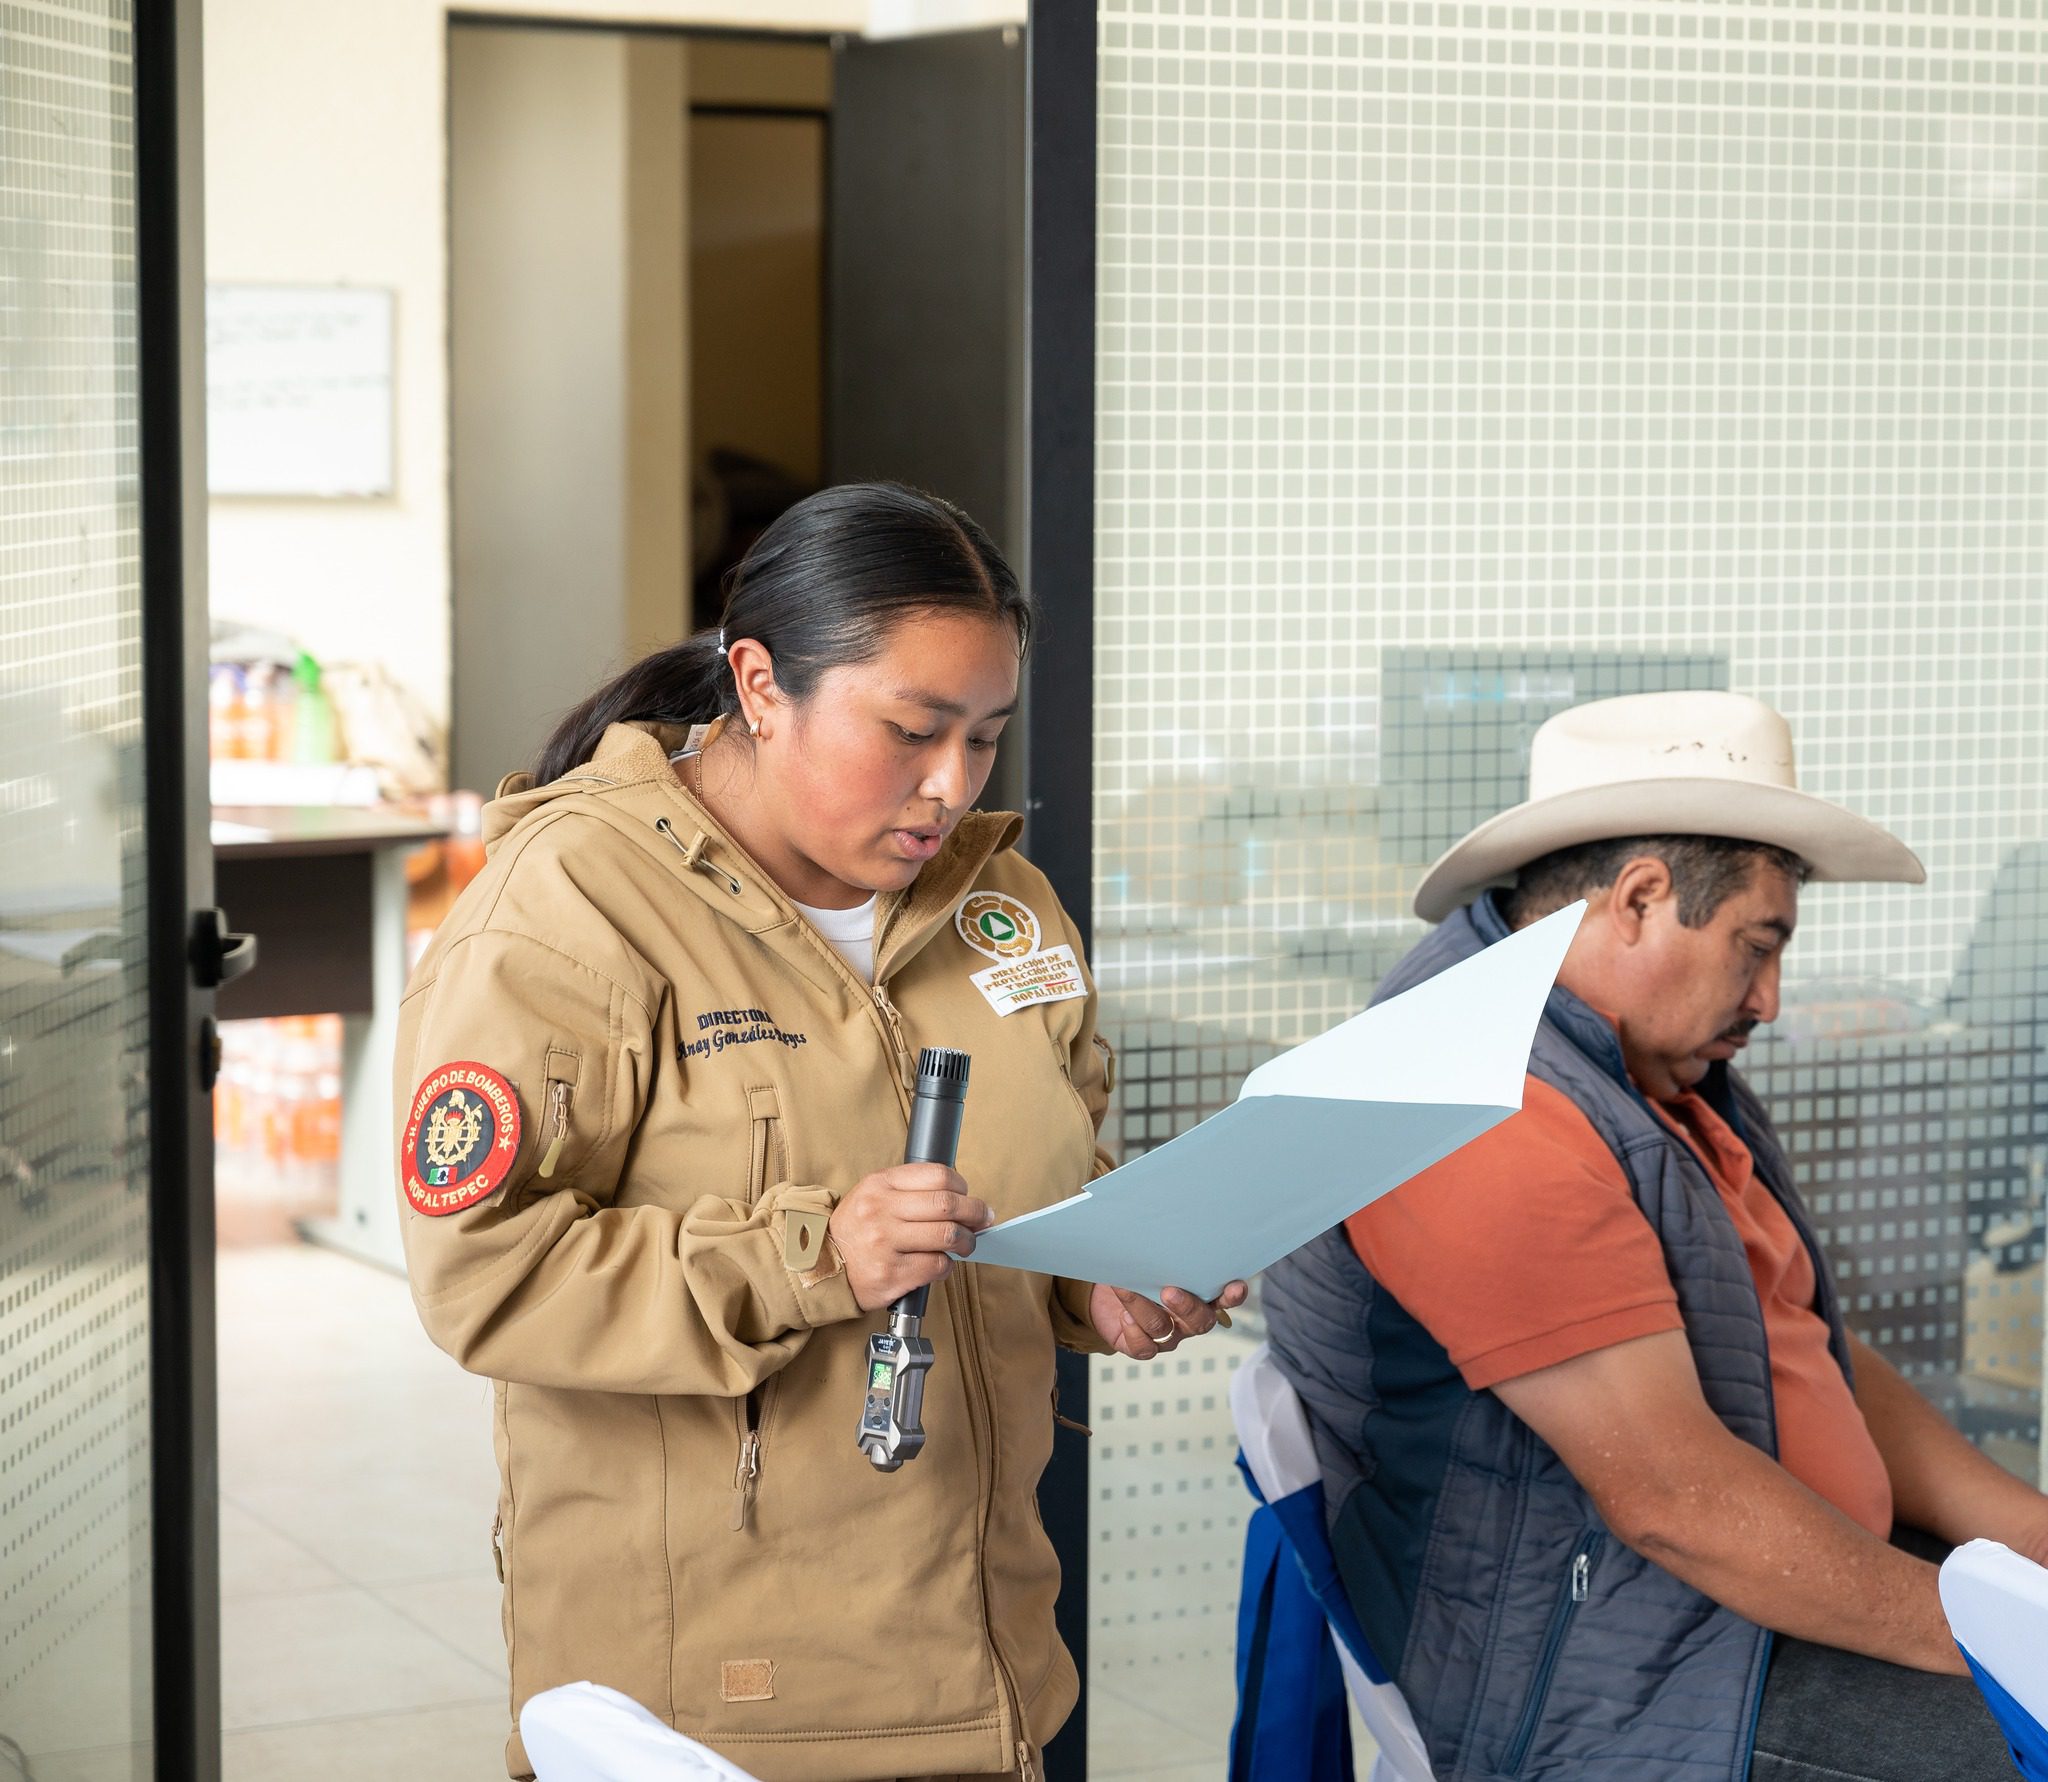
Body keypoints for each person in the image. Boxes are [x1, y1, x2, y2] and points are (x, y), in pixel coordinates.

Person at [394, 482, 1246, 1782]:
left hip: (982, 1665)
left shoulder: (1003, 905)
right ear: (759, 682)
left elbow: (1025, 1185)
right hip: (712, 1705)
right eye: (909, 730)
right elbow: (485, 1275)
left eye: (986, 737)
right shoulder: (573, 901)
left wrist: (1098, 1278)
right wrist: (813, 1256)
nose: (951, 785)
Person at [1261, 690, 2045, 1782]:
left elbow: (1797, 1345)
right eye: (1753, 947)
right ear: (1637, 898)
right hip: (1622, 1683)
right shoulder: (1474, 1106)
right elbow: (1674, 1504)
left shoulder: (1647, 1073)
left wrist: (2026, 1540)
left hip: (1733, 1613)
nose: (1768, 999)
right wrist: (2009, 1648)